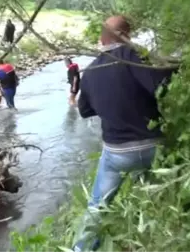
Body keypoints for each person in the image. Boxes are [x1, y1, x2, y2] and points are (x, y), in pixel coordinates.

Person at [72, 15, 177, 252]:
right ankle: (162, 228)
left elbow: (85, 110)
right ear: (127, 35)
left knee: (97, 206)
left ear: (101, 39)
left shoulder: (91, 71)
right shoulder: (140, 59)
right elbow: (163, 86)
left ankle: (83, 249)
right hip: (154, 146)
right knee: (155, 188)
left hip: (118, 153)